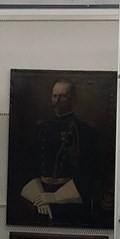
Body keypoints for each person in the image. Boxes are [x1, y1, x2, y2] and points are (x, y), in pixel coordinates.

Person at [20, 79, 98, 225]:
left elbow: (89, 173)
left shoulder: (84, 131)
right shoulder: (41, 128)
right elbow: (28, 166)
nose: (57, 101)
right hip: (39, 195)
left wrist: (55, 197)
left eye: (63, 96)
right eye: (54, 96)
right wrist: (40, 197)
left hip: (69, 200)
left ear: (73, 99)